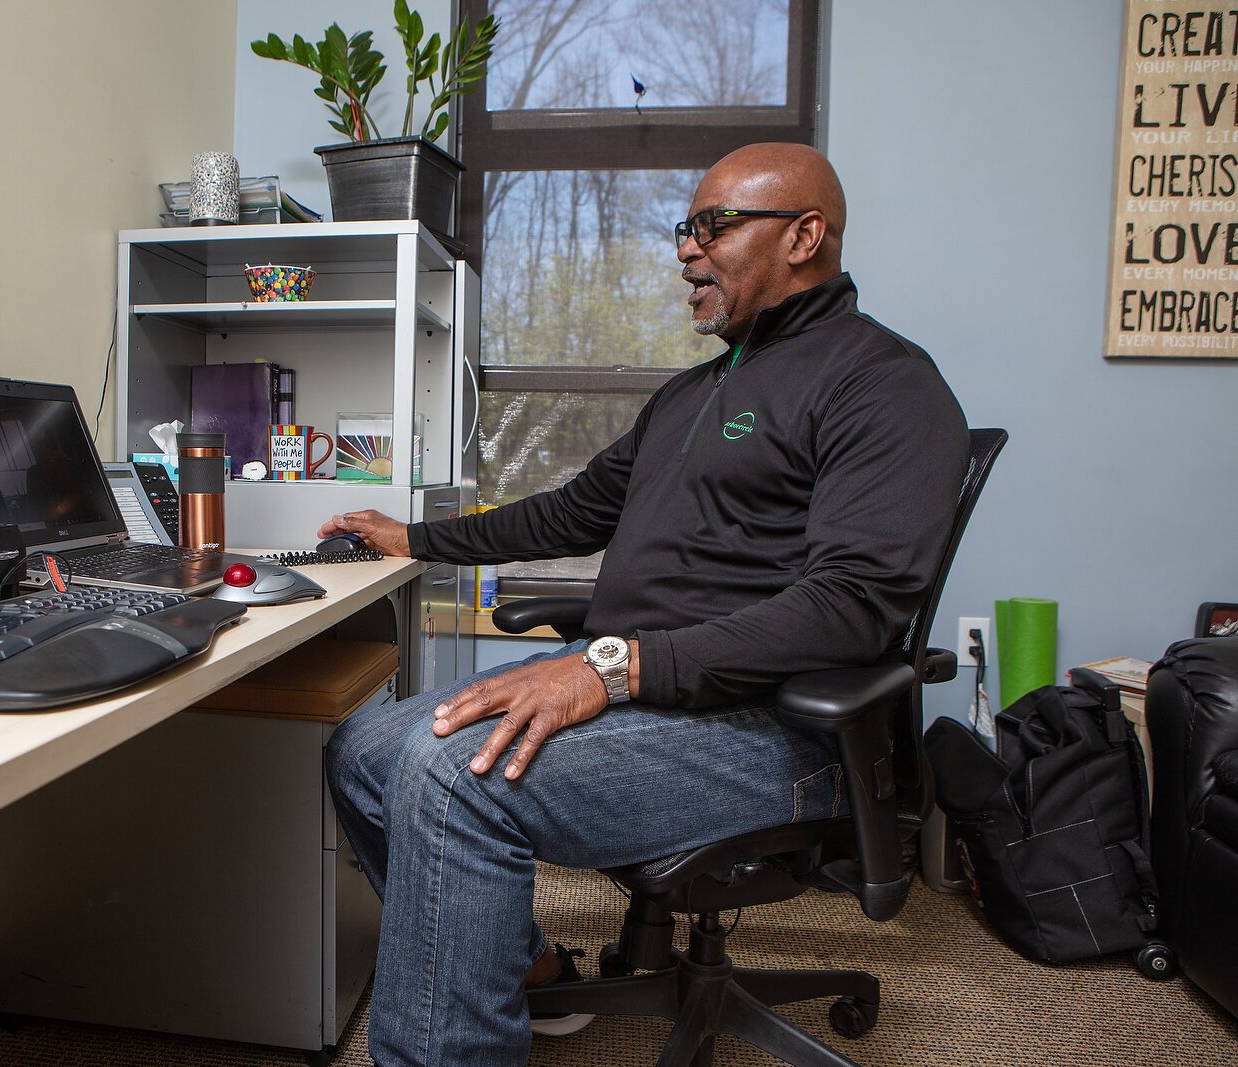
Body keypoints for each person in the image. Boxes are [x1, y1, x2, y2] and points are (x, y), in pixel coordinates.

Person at [317, 142, 970, 1067]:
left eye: (714, 226)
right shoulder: (697, 391)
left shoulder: (885, 384)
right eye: (686, 229)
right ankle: (531, 975)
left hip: (770, 733)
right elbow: (575, 509)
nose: (686, 252)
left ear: (805, 235)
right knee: (363, 748)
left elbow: (853, 605)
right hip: (650, 699)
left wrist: (609, 665)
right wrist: (416, 538)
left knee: (451, 777)